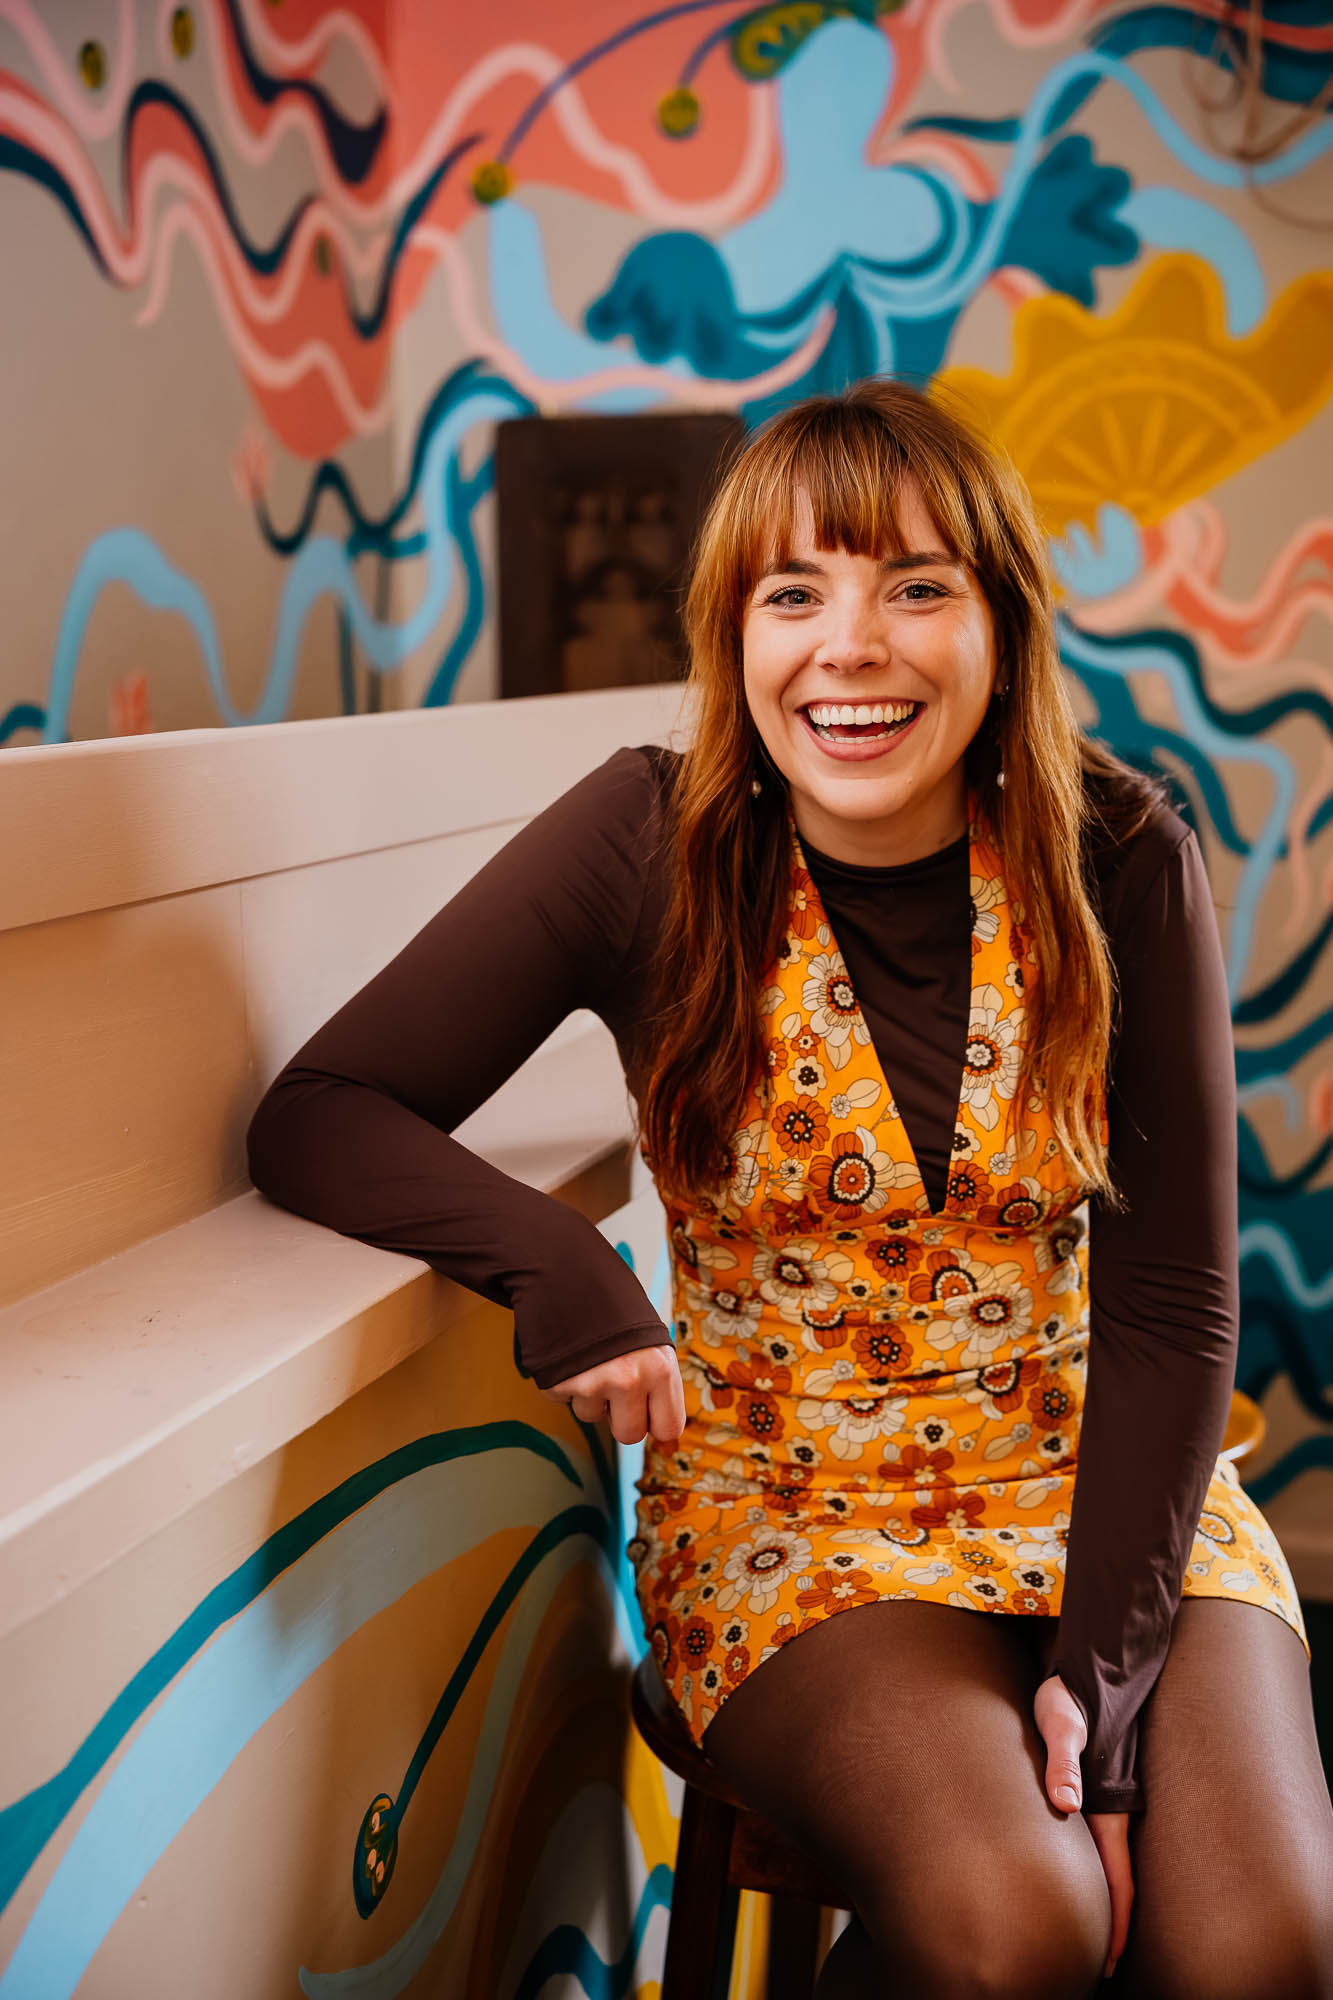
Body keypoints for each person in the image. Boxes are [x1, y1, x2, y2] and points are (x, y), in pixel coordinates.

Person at [246, 380, 1333, 1997]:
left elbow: (1172, 1304)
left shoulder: (1119, 852)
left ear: (1001, 624)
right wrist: (565, 1269)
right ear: (732, 633)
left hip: (1099, 1481)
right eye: (792, 594)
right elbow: (323, 1111)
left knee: (1260, 1948)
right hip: (790, 1515)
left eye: (916, 587)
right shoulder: (645, 838)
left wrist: (1102, 1698)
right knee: (1017, 1925)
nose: (850, 647)